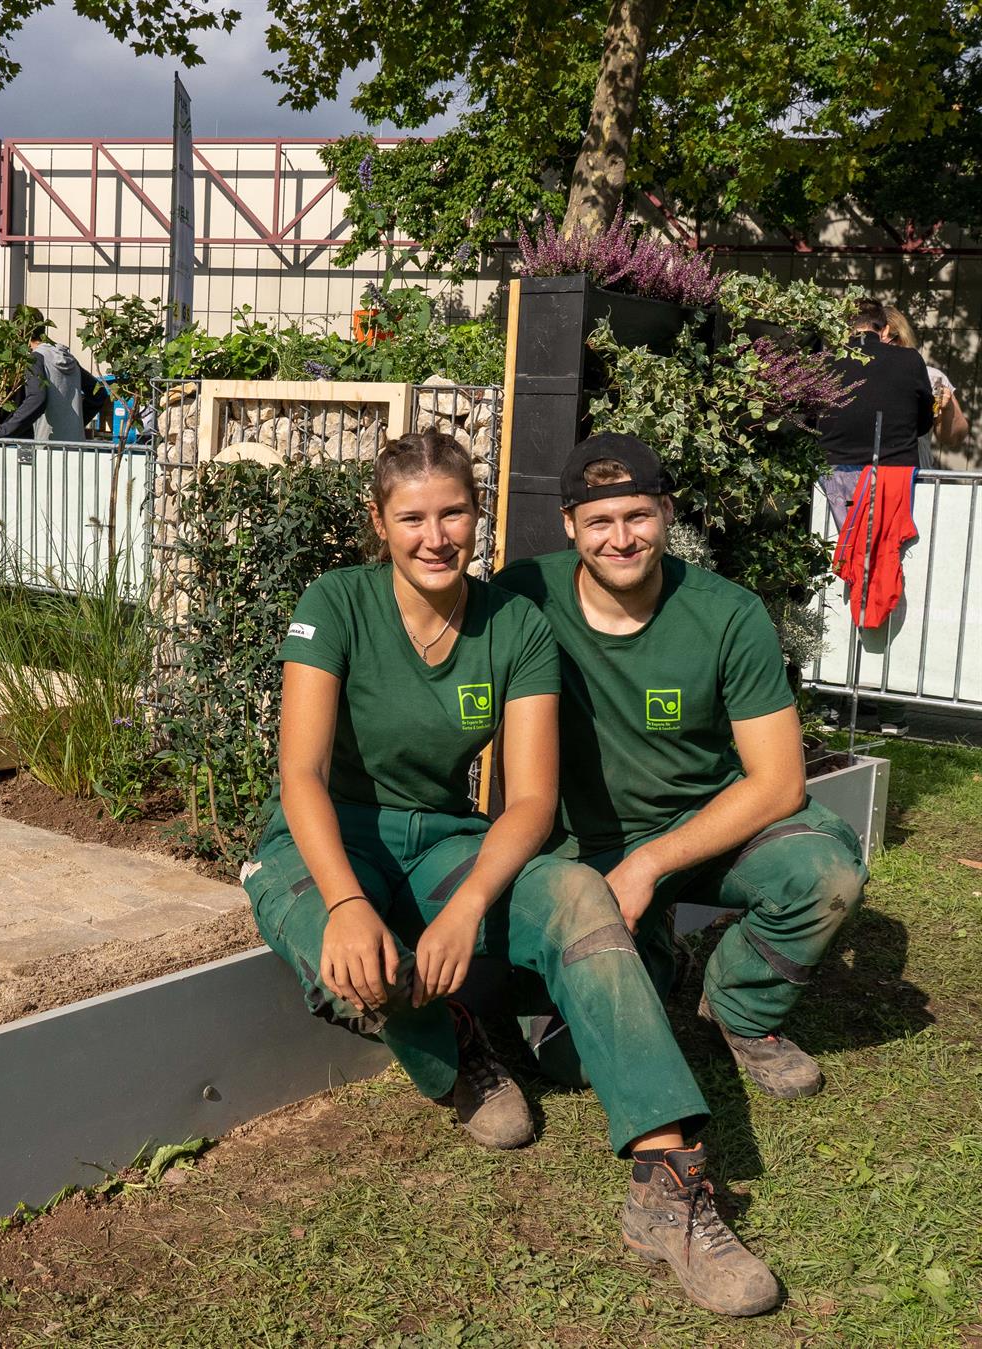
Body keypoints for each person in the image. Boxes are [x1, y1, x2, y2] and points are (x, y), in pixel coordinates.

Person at [245, 431, 777, 1316]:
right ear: (379, 522)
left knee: (578, 894)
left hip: (444, 838)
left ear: (478, 515)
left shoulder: (516, 625)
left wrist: (467, 908)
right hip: (322, 839)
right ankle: (455, 1040)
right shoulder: (335, 602)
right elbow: (300, 772)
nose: (436, 536)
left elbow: (530, 800)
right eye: (413, 517)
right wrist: (344, 900)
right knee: (356, 961)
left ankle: (666, 1183)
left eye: (454, 512)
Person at [494, 433, 866, 1108]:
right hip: (581, 846)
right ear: (569, 524)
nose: (621, 539)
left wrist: (649, 866)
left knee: (825, 875)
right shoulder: (524, 596)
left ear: (667, 512)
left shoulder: (727, 614)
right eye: (600, 521)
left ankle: (741, 1008)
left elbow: (780, 782)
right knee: (571, 1061)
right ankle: (655, 953)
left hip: (705, 826)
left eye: (638, 516)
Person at [815, 298, 934, 526]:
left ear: (844, 328)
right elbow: (924, 424)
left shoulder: (825, 362)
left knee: (841, 543)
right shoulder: (910, 360)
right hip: (895, 477)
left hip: (833, 476)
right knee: (883, 544)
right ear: (885, 329)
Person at [0, 308, 106, 442]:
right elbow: (99, 392)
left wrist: (2, 431)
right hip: (75, 444)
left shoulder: (35, 359)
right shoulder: (68, 357)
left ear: (19, 332)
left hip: (47, 446)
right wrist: (74, 425)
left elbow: (36, 398)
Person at [882, 305, 969, 461]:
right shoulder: (854, 376)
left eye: (882, 343)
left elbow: (955, 437)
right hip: (860, 471)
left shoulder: (931, 377)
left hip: (914, 471)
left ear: (901, 338)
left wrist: (948, 408)